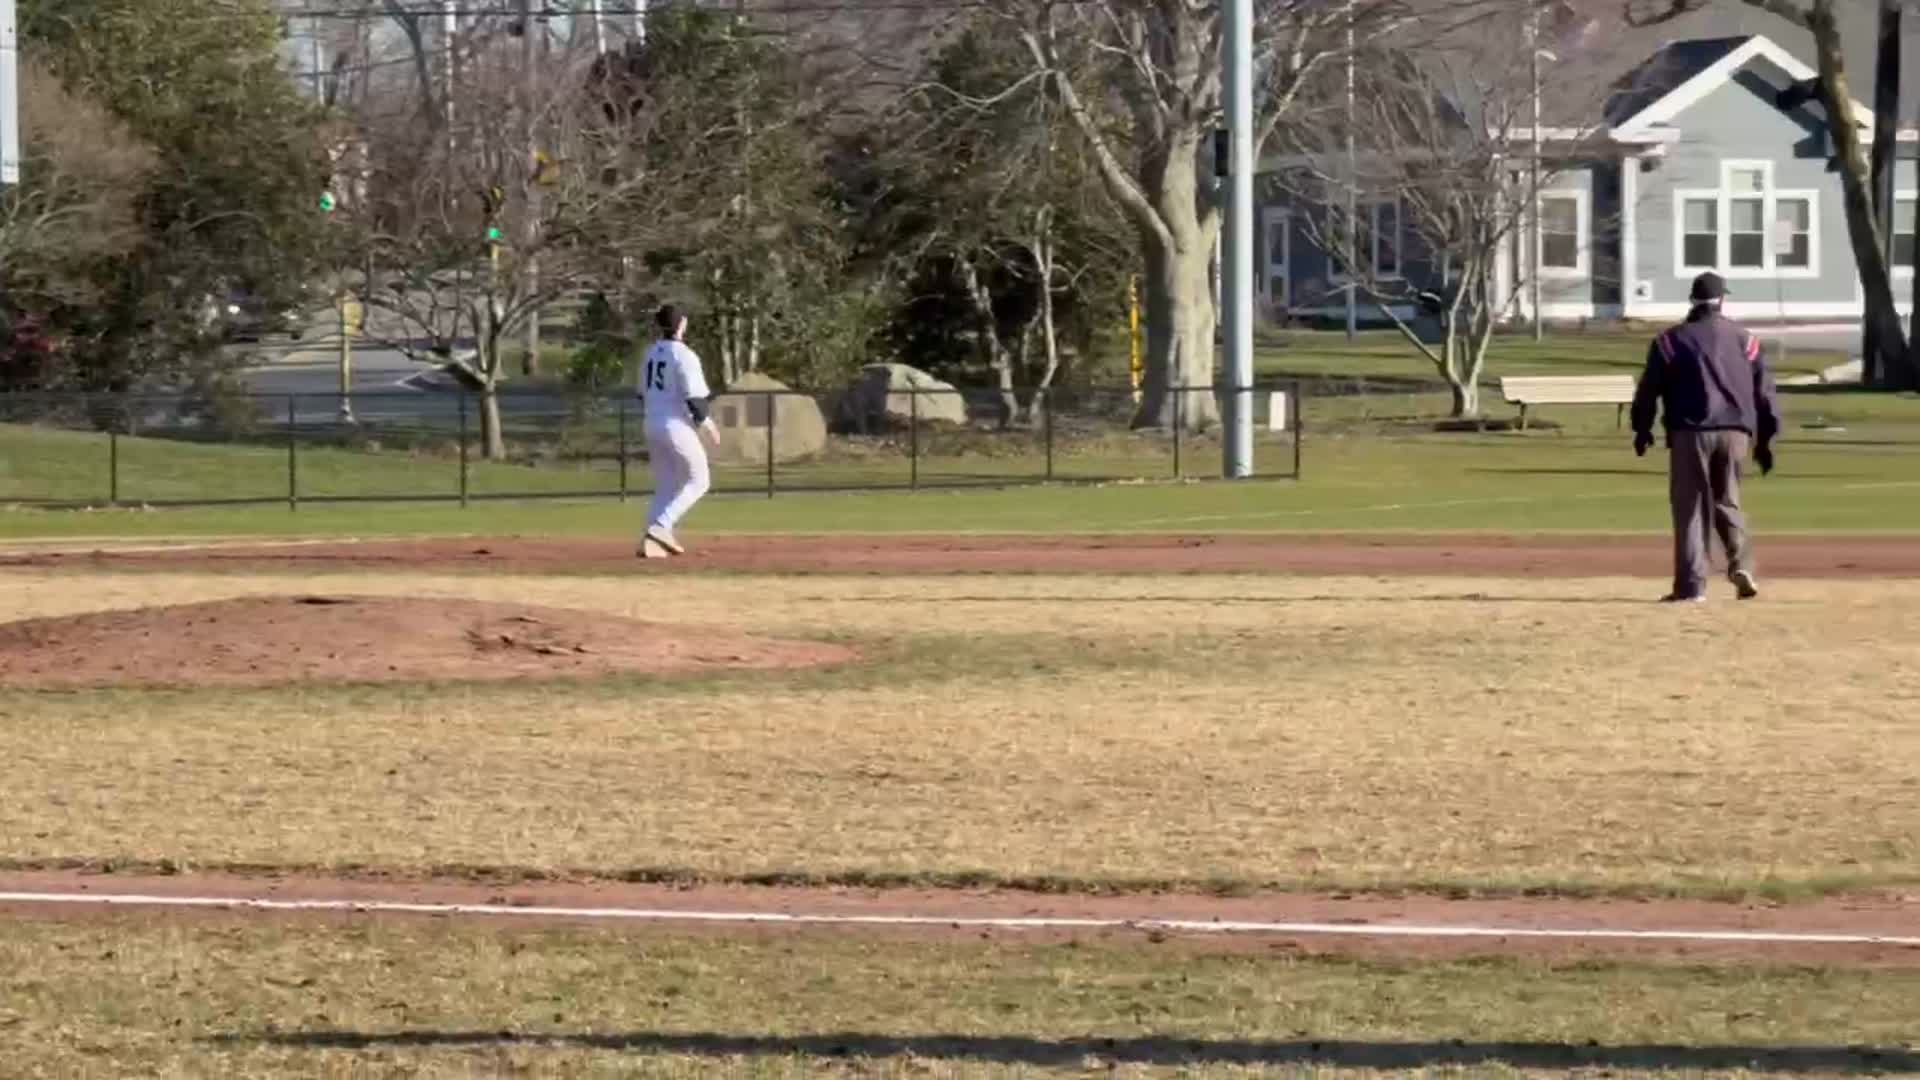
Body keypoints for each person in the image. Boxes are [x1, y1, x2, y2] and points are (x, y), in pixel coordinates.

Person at [1630, 271, 1779, 603]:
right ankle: (1742, 565)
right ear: (1722, 301)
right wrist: (1766, 439)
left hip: (1690, 432)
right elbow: (1764, 393)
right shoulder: (1746, 340)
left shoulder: (1670, 341)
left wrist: (1641, 428)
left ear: (1692, 302)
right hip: (1735, 432)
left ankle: (1691, 586)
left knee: (1691, 508)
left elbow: (1649, 389)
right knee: (1728, 500)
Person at [637, 304, 720, 559]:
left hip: (651, 422)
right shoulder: (684, 355)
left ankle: (650, 539)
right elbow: (695, 398)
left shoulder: (650, 353)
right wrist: (707, 424)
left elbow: (641, 394)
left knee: (667, 483)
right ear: (682, 324)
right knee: (699, 479)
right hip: (674, 424)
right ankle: (662, 526)